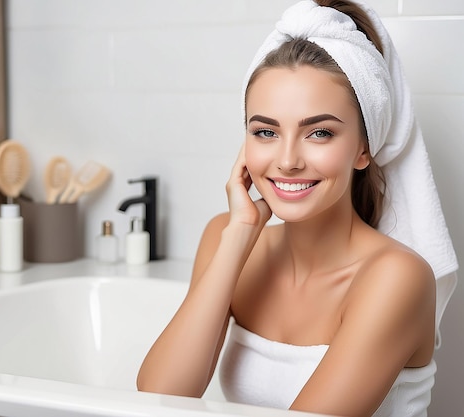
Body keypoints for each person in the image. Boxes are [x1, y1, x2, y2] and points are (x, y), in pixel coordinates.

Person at [137, 1, 459, 416]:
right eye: (266, 131)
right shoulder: (225, 237)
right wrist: (238, 236)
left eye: (319, 132)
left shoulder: (397, 278)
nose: (287, 160)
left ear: (364, 148)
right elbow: (157, 400)